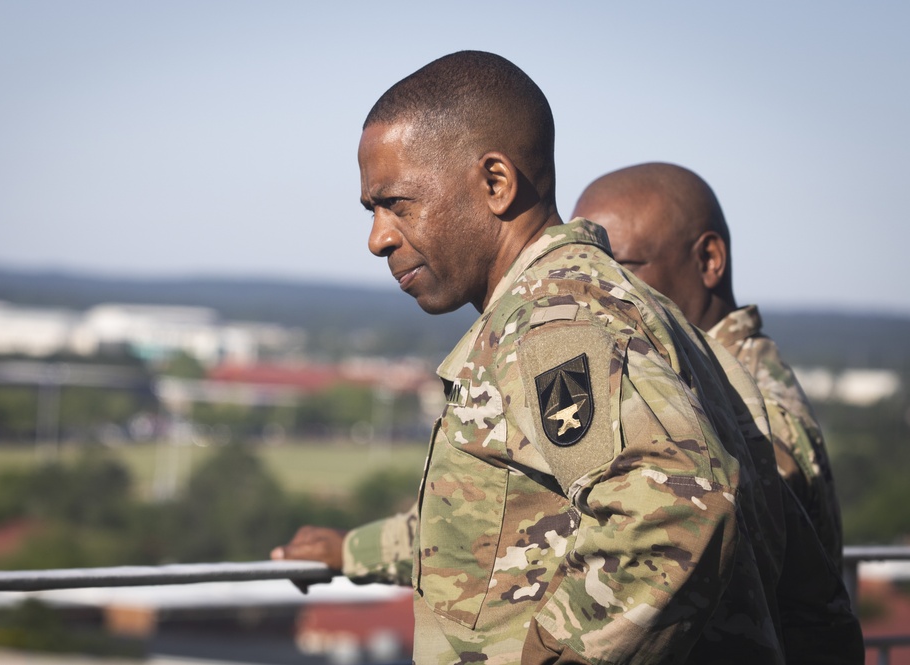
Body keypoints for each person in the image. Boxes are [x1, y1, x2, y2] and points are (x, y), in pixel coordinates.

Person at [272, 51, 827, 663]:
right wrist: (352, 551)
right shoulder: (620, 305)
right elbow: (509, 533)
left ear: (495, 184)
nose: (378, 237)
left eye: (397, 203)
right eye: (372, 210)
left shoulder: (555, 323)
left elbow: (672, 514)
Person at [571, 162, 844, 569]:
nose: (594, 294)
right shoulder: (705, 380)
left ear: (709, 259)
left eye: (620, 270)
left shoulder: (755, 414)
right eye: (585, 273)